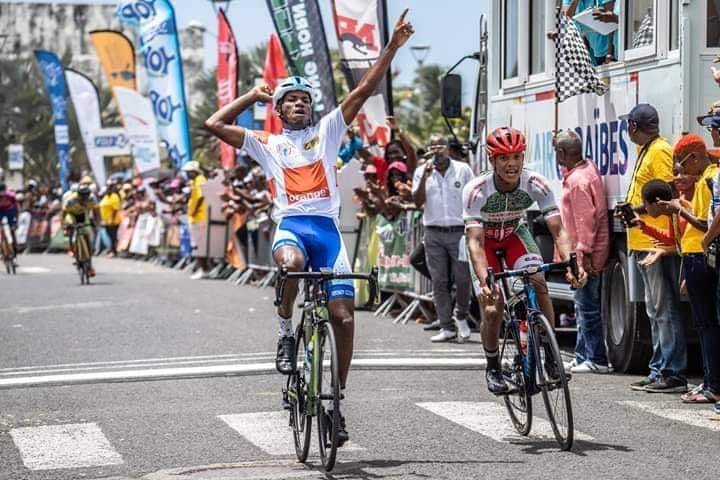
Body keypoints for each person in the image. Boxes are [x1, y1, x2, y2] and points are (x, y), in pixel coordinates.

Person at [204, 9, 415, 443]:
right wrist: (251, 95)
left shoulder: (329, 131)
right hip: (293, 228)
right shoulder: (268, 143)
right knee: (291, 262)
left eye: (304, 99)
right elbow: (215, 124)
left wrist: (391, 47)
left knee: (344, 316)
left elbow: (363, 89)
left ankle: (334, 401)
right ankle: (285, 333)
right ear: (279, 110)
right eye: (290, 100)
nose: (299, 104)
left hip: (329, 233)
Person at [464, 127, 584, 394]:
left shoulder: (536, 183)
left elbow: (558, 229)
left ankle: (551, 357)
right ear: (492, 160)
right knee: (493, 308)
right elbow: (474, 241)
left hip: (514, 235)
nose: (512, 164)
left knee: (538, 281)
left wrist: (571, 261)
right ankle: (493, 366)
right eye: (504, 158)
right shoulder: (476, 190)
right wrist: (485, 281)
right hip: (485, 242)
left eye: (517, 157)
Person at [623, 103, 687, 393]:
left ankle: (672, 372)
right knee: (654, 308)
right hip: (645, 239)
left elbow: (665, 197)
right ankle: (658, 367)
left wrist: (635, 210)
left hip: (657, 242)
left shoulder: (659, 150)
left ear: (634, 127)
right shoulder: (647, 149)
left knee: (664, 308)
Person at [658, 134, 720, 401]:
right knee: (707, 324)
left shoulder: (708, 179)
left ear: (695, 157)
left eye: (683, 164)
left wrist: (678, 210)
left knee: (707, 325)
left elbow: (706, 223)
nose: (683, 171)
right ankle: (709, 381)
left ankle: (712, 385)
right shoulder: (710, 174)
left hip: (700, 255)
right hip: (696, 255)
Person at [555, 131, 611, 374]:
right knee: (580, 305)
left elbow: (585, 220)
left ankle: (596, 358)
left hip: (584, 253)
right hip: (581, 252)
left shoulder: (578, 181)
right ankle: (581, 355)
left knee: (587, 306)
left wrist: (583, 254)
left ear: (561, 153)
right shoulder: (585, 170)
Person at [412, 134, 474, 342]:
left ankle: (461, 316)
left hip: (459, 232)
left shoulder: (462, 170)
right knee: (439, 281)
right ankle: (446, 326)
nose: (437, 149)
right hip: (434, 233)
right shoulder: (422, 172)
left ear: (448, 148)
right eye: (433, 146)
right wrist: (424, 177)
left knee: (463, 278)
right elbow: (418, 201)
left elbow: (473, 196)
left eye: (441, 146)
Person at [62, 177, 98, 277]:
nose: (84, 198)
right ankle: (72, 248)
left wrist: (96, 223)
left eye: (86, 196)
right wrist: (64, 226)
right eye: (82, 196)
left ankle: (89, 264)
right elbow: (64, 213)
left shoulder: (92, 199)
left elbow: (96, 212)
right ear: (78, 194)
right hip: (71, 214)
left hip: (83, 215)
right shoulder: (71, 200)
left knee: (87, 235)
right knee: (70, 224)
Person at [183, 161, 209, 280]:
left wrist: (194, 210)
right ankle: (203, 269)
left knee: (198, 245)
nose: (187, 174)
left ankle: (203, 270)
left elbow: (200, 197)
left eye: (188, 172)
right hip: (196, 216)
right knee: (197, 245)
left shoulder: (199, 179)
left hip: (199, 216)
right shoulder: (196, 180)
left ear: (194, 171)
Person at [98, 180, 122, 256]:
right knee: (110, 236)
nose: (108, 189)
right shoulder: (105, 197)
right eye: (108, 187)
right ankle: (113, 250)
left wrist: (112, 220)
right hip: (106, 221)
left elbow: (115, 209)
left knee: (113, 236)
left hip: (114, 220)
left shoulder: (114, 196)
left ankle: (114, 251)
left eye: (110, 187)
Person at [0, 181, 19, 262]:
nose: (2, 193)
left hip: (9, 211)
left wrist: (16, 220)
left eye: (3, 190)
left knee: (12, 232)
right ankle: (3, 252)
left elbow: (16, 208)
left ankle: (14, 253)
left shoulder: (11, 196)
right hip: (0, 211)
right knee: (2, 232)